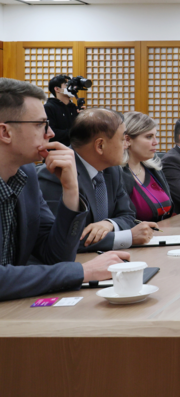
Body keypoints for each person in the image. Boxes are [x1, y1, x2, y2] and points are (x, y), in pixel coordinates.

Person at [0, 78, 128, 301]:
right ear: (5, 132)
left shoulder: (26, 175)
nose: (50, 133)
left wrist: (71, 190)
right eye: (41, 125)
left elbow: (55, 256)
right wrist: (83, 271)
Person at [38, 109, 155, 252]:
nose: (126, 145)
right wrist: (127, 237)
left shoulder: (113, 169)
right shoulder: (56, 172)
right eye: (122, 139)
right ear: (100, 146)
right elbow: (60, 239)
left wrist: (109, 224)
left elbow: (128, 215)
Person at [121, 112, 173, 221]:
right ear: (128, 140)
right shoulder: (116, 174)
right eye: (149, 137)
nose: (156, 142)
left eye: (155, 136)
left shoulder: (154, 169)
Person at [43, 74, 81, 146]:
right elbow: (52, 132)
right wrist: (75, 133)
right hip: (57, 148)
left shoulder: (73, 107)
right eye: (67, 85)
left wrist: (83, 117)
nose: (71, 87)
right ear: (57, 89)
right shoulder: (48, 107)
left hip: (76, 147)